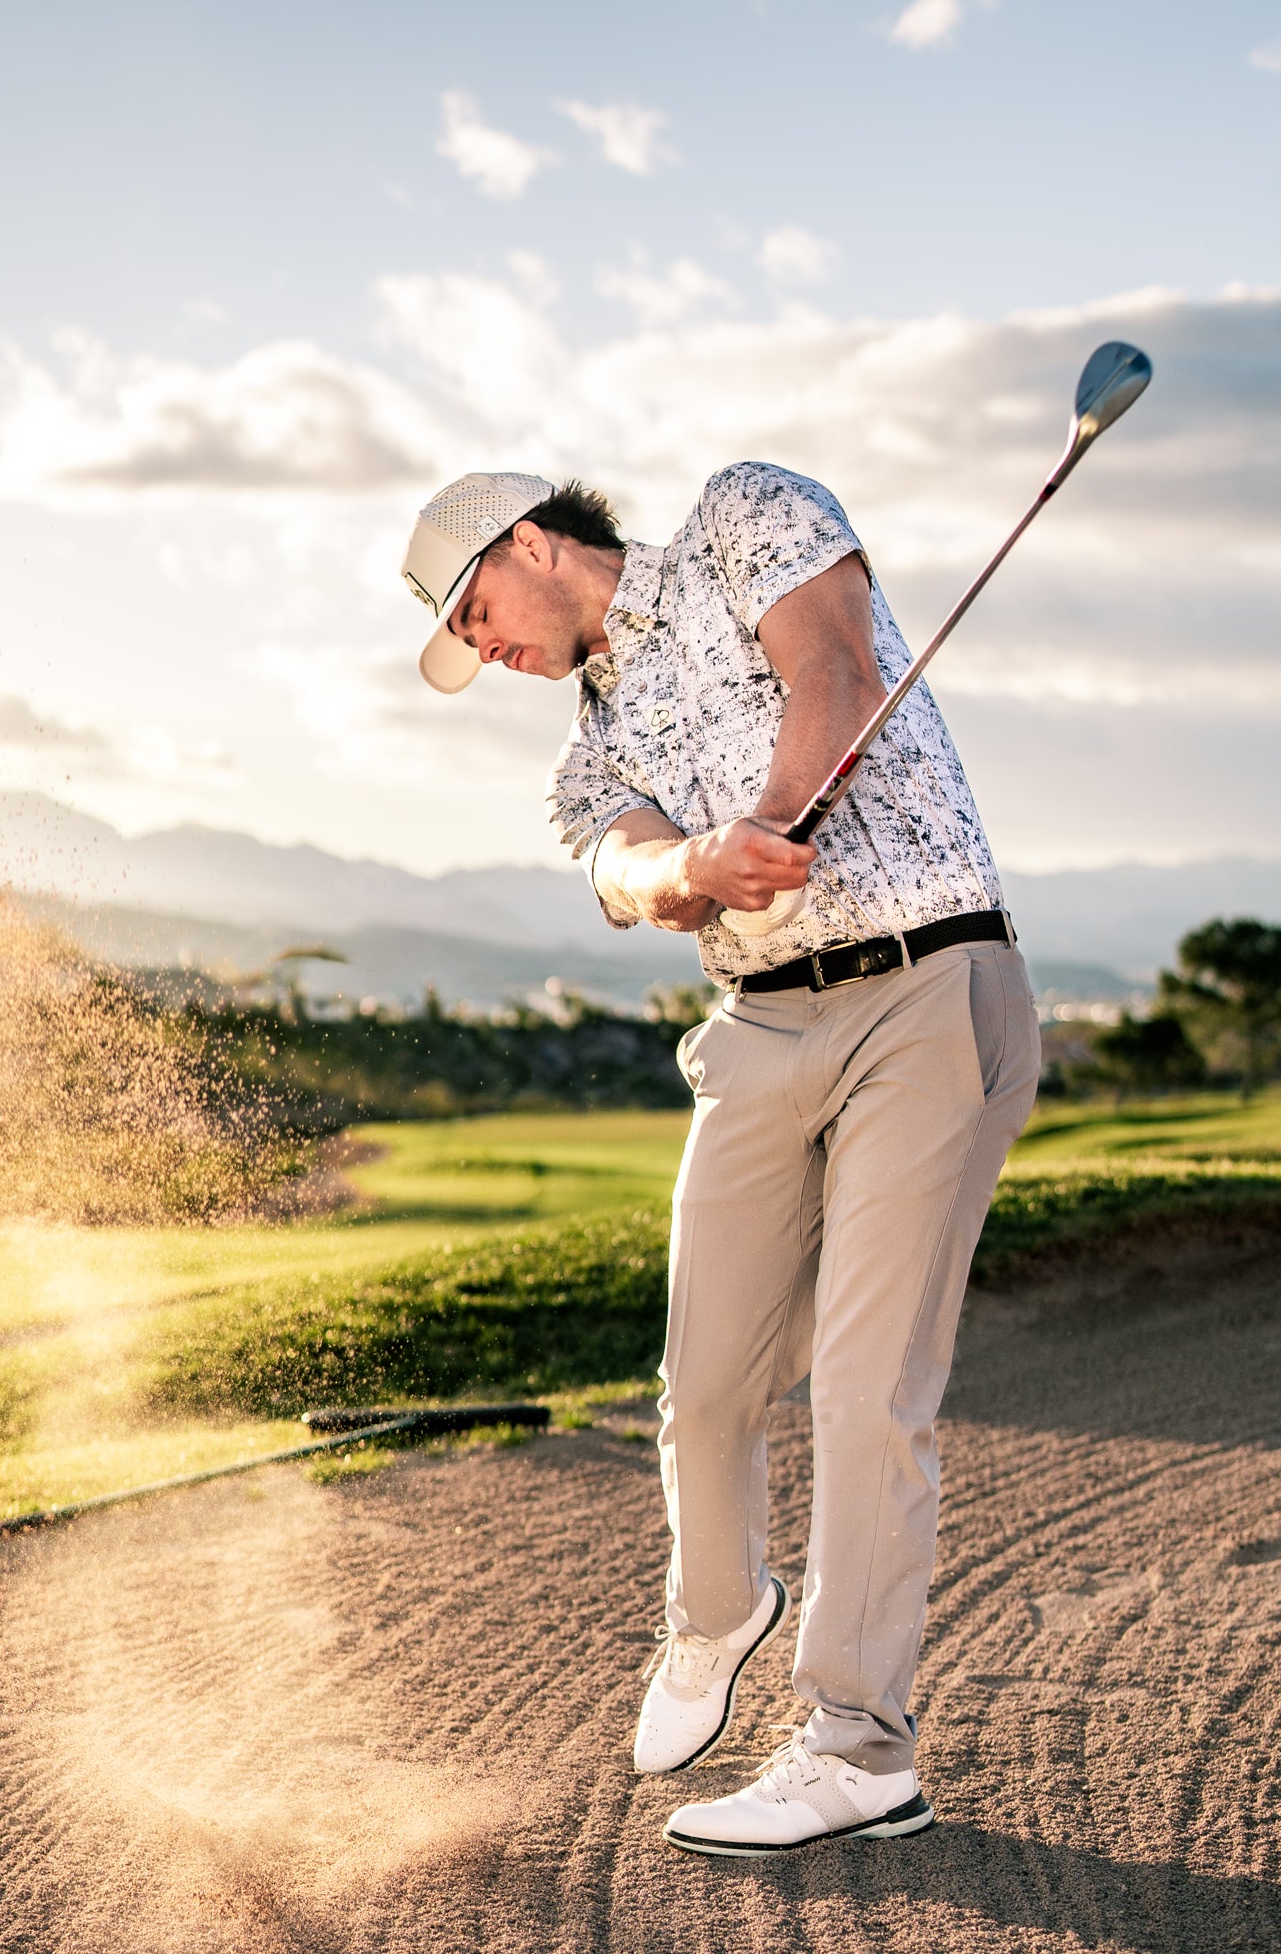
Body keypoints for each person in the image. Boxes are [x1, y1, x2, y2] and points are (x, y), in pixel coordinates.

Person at [398, 465, 1039, 1858]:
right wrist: (701, 860)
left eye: (483, 614)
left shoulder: (745, 514)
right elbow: (625, 872)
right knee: (706, 1380)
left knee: (870, 1389)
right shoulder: (585, 752)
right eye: (474, 645)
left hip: (927, 984)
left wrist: (784, 818)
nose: (492, 651)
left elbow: (832, 667)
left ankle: (859, 1749)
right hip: (759, 1026)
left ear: (530, 543)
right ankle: (715, 1614)